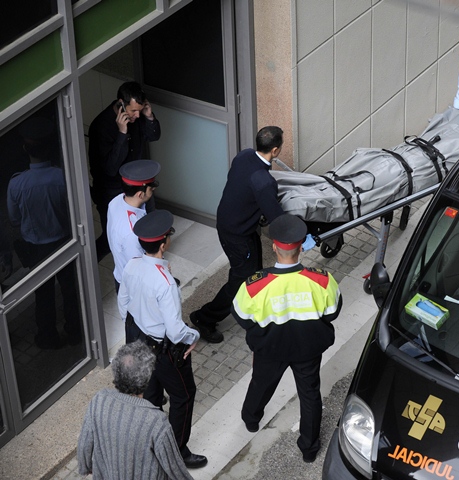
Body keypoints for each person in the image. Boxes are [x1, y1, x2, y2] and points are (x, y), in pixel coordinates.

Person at [232, 214, 342, 463]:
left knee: (261, 384)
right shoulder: (322, 280)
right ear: (301, 246)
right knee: (310, 394)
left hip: (269, 350)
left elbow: (242, 317)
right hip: (308, 351)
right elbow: (332, 312)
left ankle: (251, 419)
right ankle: (309, 448)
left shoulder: (254, 286)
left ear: (273, 246)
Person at [117, 210, 207, 469]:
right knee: (184, 396)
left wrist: (139, 325)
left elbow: (123, 304)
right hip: (162, 349)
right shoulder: (165, 283)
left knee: (151, 397)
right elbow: (176, 331)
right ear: (164, 243)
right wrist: (195, 336)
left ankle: (149, 442)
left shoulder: (132, 264)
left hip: (136, 339)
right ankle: (176, 451)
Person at [189, 126, 286, 343]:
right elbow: (277, 218)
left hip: (231, 224)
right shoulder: (263, 181)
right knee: (241, 279)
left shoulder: (243, 156)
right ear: (276, 150)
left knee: (254, 270)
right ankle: (204, 318)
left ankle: (256, 306)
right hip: (238, 234)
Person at [7, 117, 81, 349]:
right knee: (70, 289)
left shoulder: (17, 184)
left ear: (25, 149)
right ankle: (76, 330)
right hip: (62, 241)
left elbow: (14, 219)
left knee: (43, 295)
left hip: (36, 247)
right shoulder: (61, 177)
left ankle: (47, 337)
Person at [77, 341, 194, 479]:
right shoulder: (156, 421)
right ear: (147, 377)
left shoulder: (99, 399)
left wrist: (85, 467)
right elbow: (174, 467)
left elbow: (85, 441)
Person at [88, 81, 161, 260]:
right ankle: (88, 265)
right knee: (111, 237)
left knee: (150, 229)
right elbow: (110, 168)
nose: (137, 115)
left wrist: (149, 116)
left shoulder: (140, 114)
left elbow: (153, 135)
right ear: (121, 103)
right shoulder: (101, 126)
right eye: (133, 111)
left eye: (140, 109)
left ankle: (153, 268)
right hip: (112, 190)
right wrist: (122, 134)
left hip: (138, 182)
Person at [107, 159, 160, 343]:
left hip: (120, 275)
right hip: (134, 288)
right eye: (150, 189)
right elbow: (139, 269)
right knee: (141, 332)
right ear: (140, 193)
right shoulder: (133, 232)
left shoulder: (116, 202)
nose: (152, 191)